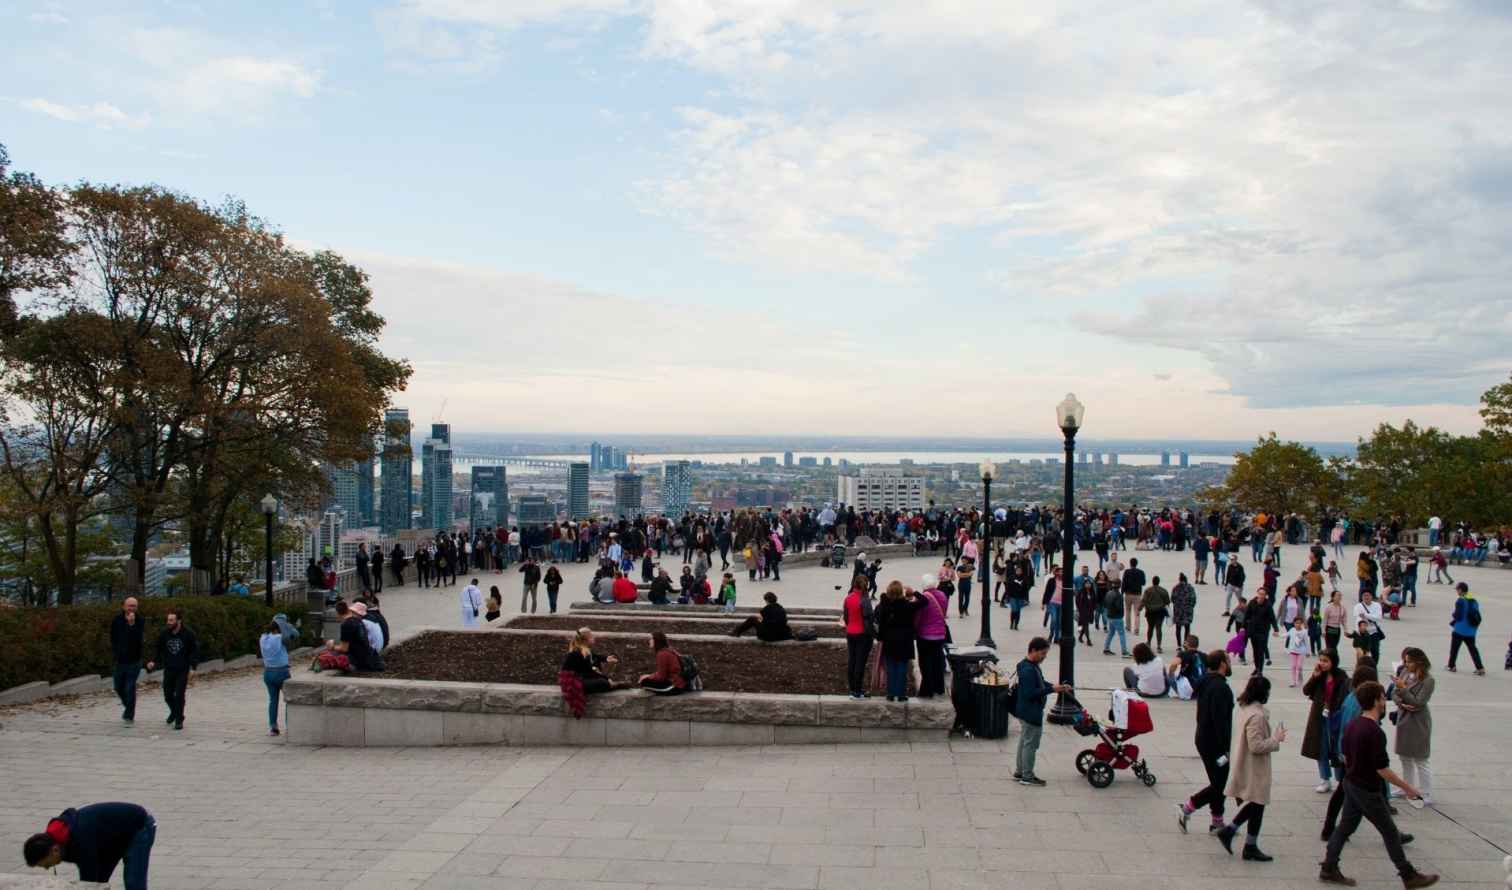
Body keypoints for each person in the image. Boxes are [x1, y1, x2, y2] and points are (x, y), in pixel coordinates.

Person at [1319, 681, 1439, 888]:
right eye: (1383, 697)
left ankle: (1329, 868)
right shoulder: (1374, 732)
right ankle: (1408, 875)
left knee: (1345, 828)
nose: (1385, 701)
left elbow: (1345, 757)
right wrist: (1409, 788)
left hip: (1351, 783)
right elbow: (1381, 769)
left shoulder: (1353, 725)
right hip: (1366, 789)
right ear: (1376, 701)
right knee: (1390, 832)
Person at [1215, 674, 1285, 861]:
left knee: (1256, 803)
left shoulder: (1244, 709)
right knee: (1258, 802)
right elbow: (1256, 746)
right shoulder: (1257, 716)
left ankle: (1236, 835)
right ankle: (1246, 843)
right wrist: (1275, 740)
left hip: (1244, 762)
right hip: (1254, 767)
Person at [23, 803, 156, 890]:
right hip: (110, 838)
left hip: (139, 826)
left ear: (54, 850)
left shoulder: (80, 841)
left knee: (134, 883)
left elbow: (88, 881)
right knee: (100, 882)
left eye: (46, 864)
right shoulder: (57, 838)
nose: (47, 868)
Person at [1177, 650, 1233, 835]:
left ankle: (1217, 821)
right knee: (1220, 785)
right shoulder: (1220, 688)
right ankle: (1188, 807)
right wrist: (1226, 748)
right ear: (1223, 664)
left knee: (1218, 782)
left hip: (1204, 738)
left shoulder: (1207, 682)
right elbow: (1220, 721)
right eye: (1228, 660)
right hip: (1214, 743)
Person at [1012, 637, 1071, 787]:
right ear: (1033, 651)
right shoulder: (1027, 669)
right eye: (1042, 653)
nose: (1044, 657)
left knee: (1025, 741)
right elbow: (1030, 693)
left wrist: (1056, 687)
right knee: (1031, 744)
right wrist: (1052, 689)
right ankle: (1027, 775)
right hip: (1031, 712)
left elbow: (1040, 683)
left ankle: (1020, 771)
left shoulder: (1030, 665)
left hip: (1025, 711)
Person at [1391, 647, 1435, 806]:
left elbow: (1419, 702)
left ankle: (1426, 792)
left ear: (1419, 662)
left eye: (1409, 661)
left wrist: (1403, 689)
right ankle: (1407, 787)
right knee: (1405, 757)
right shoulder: (1404, 673)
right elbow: (1393, 694)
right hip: (1404, 718)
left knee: (1421, 758)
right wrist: (1401, 701)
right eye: (1405, 661)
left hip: (1418, 722)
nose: (1406, 664)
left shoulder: (1428, 680)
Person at [1302, 648, 1350, 793]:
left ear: (1333, 662)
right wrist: (1314, 676)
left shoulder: (1341, 676)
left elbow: (1345, 696)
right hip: (1319, 716)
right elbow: (1306, 691)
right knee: (1321, 747)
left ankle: (1340, 779)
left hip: (1335, 716)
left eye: (1325, 661)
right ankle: (1324, 779)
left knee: (1336, 748)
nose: (1322, 663)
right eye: (1321, 660)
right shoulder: (1320, 675)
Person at [145, 609, 197, 731]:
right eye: (168, 620)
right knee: (168, 695)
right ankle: (175, 712)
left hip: (182, 669)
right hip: (169, 669)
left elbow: (194, 651)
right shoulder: (164, 633)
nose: (168, 622)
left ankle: (179, 720)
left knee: (179, 695)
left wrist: (193, 667)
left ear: (179, 621)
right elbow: (158, 649)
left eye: (171, 620)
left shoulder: (188, 634)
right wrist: (153, 661)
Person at [875, 581, 924, 702]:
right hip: (904, 641)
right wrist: (914, 592)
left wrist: (879, 637)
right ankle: (901, 694)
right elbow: (924, 602)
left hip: (889, 640)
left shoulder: (883, 606)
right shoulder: (907, 605)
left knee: (891, 668)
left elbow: (878, 622)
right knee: (902, 667)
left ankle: (891, 693)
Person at [109, 597, 145, 724]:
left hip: (134, 660)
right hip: (120, 660)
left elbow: (137, 639)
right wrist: (116, 651)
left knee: (130, 687)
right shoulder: (117, 620)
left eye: (134, 606)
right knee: (118, 687)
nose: (131, 608)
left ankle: (129, 713)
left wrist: (131, 624)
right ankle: (128, 707)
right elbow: (113, 637)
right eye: (129, 606)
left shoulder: (139, 620)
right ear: (124, 606)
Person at [914, 577, 950, 698]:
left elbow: (918, 616)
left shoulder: (924, 597)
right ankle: (939, 687)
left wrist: (915, 629)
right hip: (940, 634)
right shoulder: (942, 595)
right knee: (937, 661)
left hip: (925, 635)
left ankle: (927, 690)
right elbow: (943, 612)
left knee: (925, 663)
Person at [842, 577, 875, 699]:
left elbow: (846, 616)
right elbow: (870, 618)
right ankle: (857, 690)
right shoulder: (864, 600)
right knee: (860, 663)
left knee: (852, 660)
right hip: (863, 634)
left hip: (850, 632)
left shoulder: (848, 597)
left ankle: (852, 689)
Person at [562, 628, 621, 693]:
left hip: (580, 676)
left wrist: (606, 658)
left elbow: (595, 656)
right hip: (572, 681)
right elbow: (588, 672)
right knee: (603, 682)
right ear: (585, 641)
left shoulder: (584, 650)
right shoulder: (579, 653)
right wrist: (606, 679)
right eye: (591, 637)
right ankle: (611, 685)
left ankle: (609, 684)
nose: (594, 638)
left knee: (597, 664)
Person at [260, 619, 290, 736]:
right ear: (277, 629)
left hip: (268, 672)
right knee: (289, 699)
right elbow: (292, 634)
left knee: (273, 701)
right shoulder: (278, 637)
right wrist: (286, 624)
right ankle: (290, 726)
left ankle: (273, 728)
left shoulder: (263, 638)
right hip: (282, 672)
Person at [1446, 582, 1484, 674]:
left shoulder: (1460, 600)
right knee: (1473, 649)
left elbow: (1458, 616)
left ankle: (1451, 666)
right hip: (1471, 631)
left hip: (1459, 629)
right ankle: (1480, 668)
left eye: (1457, 590)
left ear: (1460, 590)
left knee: (1454, 649)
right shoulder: (1474, 600)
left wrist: (1453, 615)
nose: (1456, 591)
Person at [1244, 588, 1279, 672]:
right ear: (1257, 594)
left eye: (1263, 594)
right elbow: (1246, 616)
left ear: (1265, 595)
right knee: (1255, 651)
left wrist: (1276, 629)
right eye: (1260, 594)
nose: (1261, 596)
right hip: (1253, 631)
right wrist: (1243, 627)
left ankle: (1260, 670)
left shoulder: (1268, 605)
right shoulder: (1252, 603)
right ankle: (1256, 668)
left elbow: (1272, 617)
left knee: (1261, 651)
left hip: (1263, 632)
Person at [1140, 575, 1170, 653]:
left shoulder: (1148, 590)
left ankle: (1149, 642)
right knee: (1158, 628)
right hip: (1160, 612)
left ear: (1152, 582)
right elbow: (1167, 602)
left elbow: (1144, 601)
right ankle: (1159, 646)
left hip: (1150, 612)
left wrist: (1140, 608)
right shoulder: (1163, 590)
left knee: (1150, 627)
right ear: (1158, 582)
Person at [1352, 591, 1385, 663]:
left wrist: (1365, 615)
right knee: (1362, 654)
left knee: (1375, 652)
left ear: (1371, 596)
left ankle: (1373, 667)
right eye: (1364, 596)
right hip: (1363, 634)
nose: (1366, 597)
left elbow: (1379, 618)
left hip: (1374, 632)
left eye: (1368, 595)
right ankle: (1361, 668)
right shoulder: (1358, 606)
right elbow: (1358, 620)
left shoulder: (1377, 605)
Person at [1101, 581, 1129, 657]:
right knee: (1121, 633)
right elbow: (1118, 606)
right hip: (1117, 617)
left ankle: (1106, 648)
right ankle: (1124, 651)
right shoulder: (1118, 595)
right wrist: (1121, 613)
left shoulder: (1108, 593)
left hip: (1110, 616)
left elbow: (1105, 603)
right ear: (1119, 585)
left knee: (1111, 632)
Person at [1121, 557, 1146, 635]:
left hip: (1128, 594)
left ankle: (1128, 627)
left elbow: (1123, 582)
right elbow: (1143, 583)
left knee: (1128, 611)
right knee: (1137, 613)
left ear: (1130, 563)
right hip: (1137, 595)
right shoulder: (1141, 572)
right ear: (1136, 563)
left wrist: (1122, 592)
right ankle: (1136, 629)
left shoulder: (1127, 572)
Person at [1170, 573, 1196, 648]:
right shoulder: (1190, 588)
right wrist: (1191, 607)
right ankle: (1185, 644)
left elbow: (1172, 599)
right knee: (1187, 628)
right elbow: (1193, 599)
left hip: (1178, 611)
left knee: (1178, 628)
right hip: (1187, 611)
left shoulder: (1175, 588)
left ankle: (1179, 645)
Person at [1283, 617, 1309, 687]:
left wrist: (1307, 652)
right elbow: (1286, 635)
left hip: (1301, 652)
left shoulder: (1304, 631)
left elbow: (1306, 642)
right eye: (1296, 623)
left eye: (1299, 623)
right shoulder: (1292, 630)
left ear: (1302, 624)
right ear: (1294, 623)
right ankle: (1293, 681)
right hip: (1293, 651)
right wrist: (1278, 635)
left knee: (1299, 666)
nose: (1298, 624)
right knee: (1293, 666)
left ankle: (1300, 675)